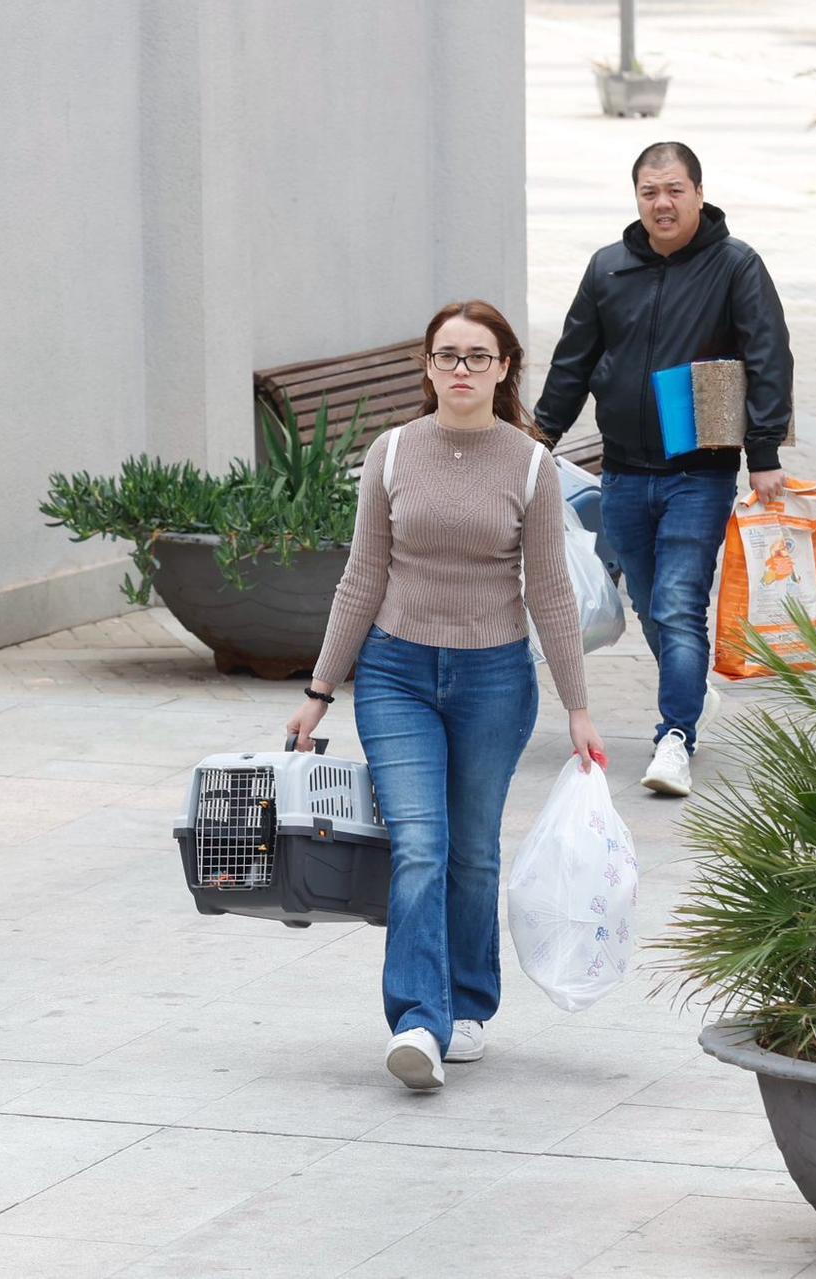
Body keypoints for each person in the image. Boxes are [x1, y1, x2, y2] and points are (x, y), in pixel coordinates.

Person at [288, 300, 606, 1092]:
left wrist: (577, 704)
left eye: (477, 356)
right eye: (446, 356)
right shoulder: (391, 454)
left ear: (504, 369)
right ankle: (418, 1021)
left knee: (473, 850)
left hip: (494, 678)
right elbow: (362, 576)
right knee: (420, 845)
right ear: (428, 369)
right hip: (396, 674)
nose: (460, 369)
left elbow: (551, 593)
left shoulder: (530, 465)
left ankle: (469, 1002)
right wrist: (320, 688)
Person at [533, 140, 794, 799]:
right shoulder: (608, 269)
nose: (662, 203)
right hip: (621, 472)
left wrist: (762, 454)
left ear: (699, 195)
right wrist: (539, 439)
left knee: (679, 603)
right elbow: (573, 360)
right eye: (649, 192)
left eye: (674, 189)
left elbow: (768, 358)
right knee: (650, 604)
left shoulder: (735, 267)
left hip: (699, 472)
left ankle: (674, 736)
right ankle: (691, 691)